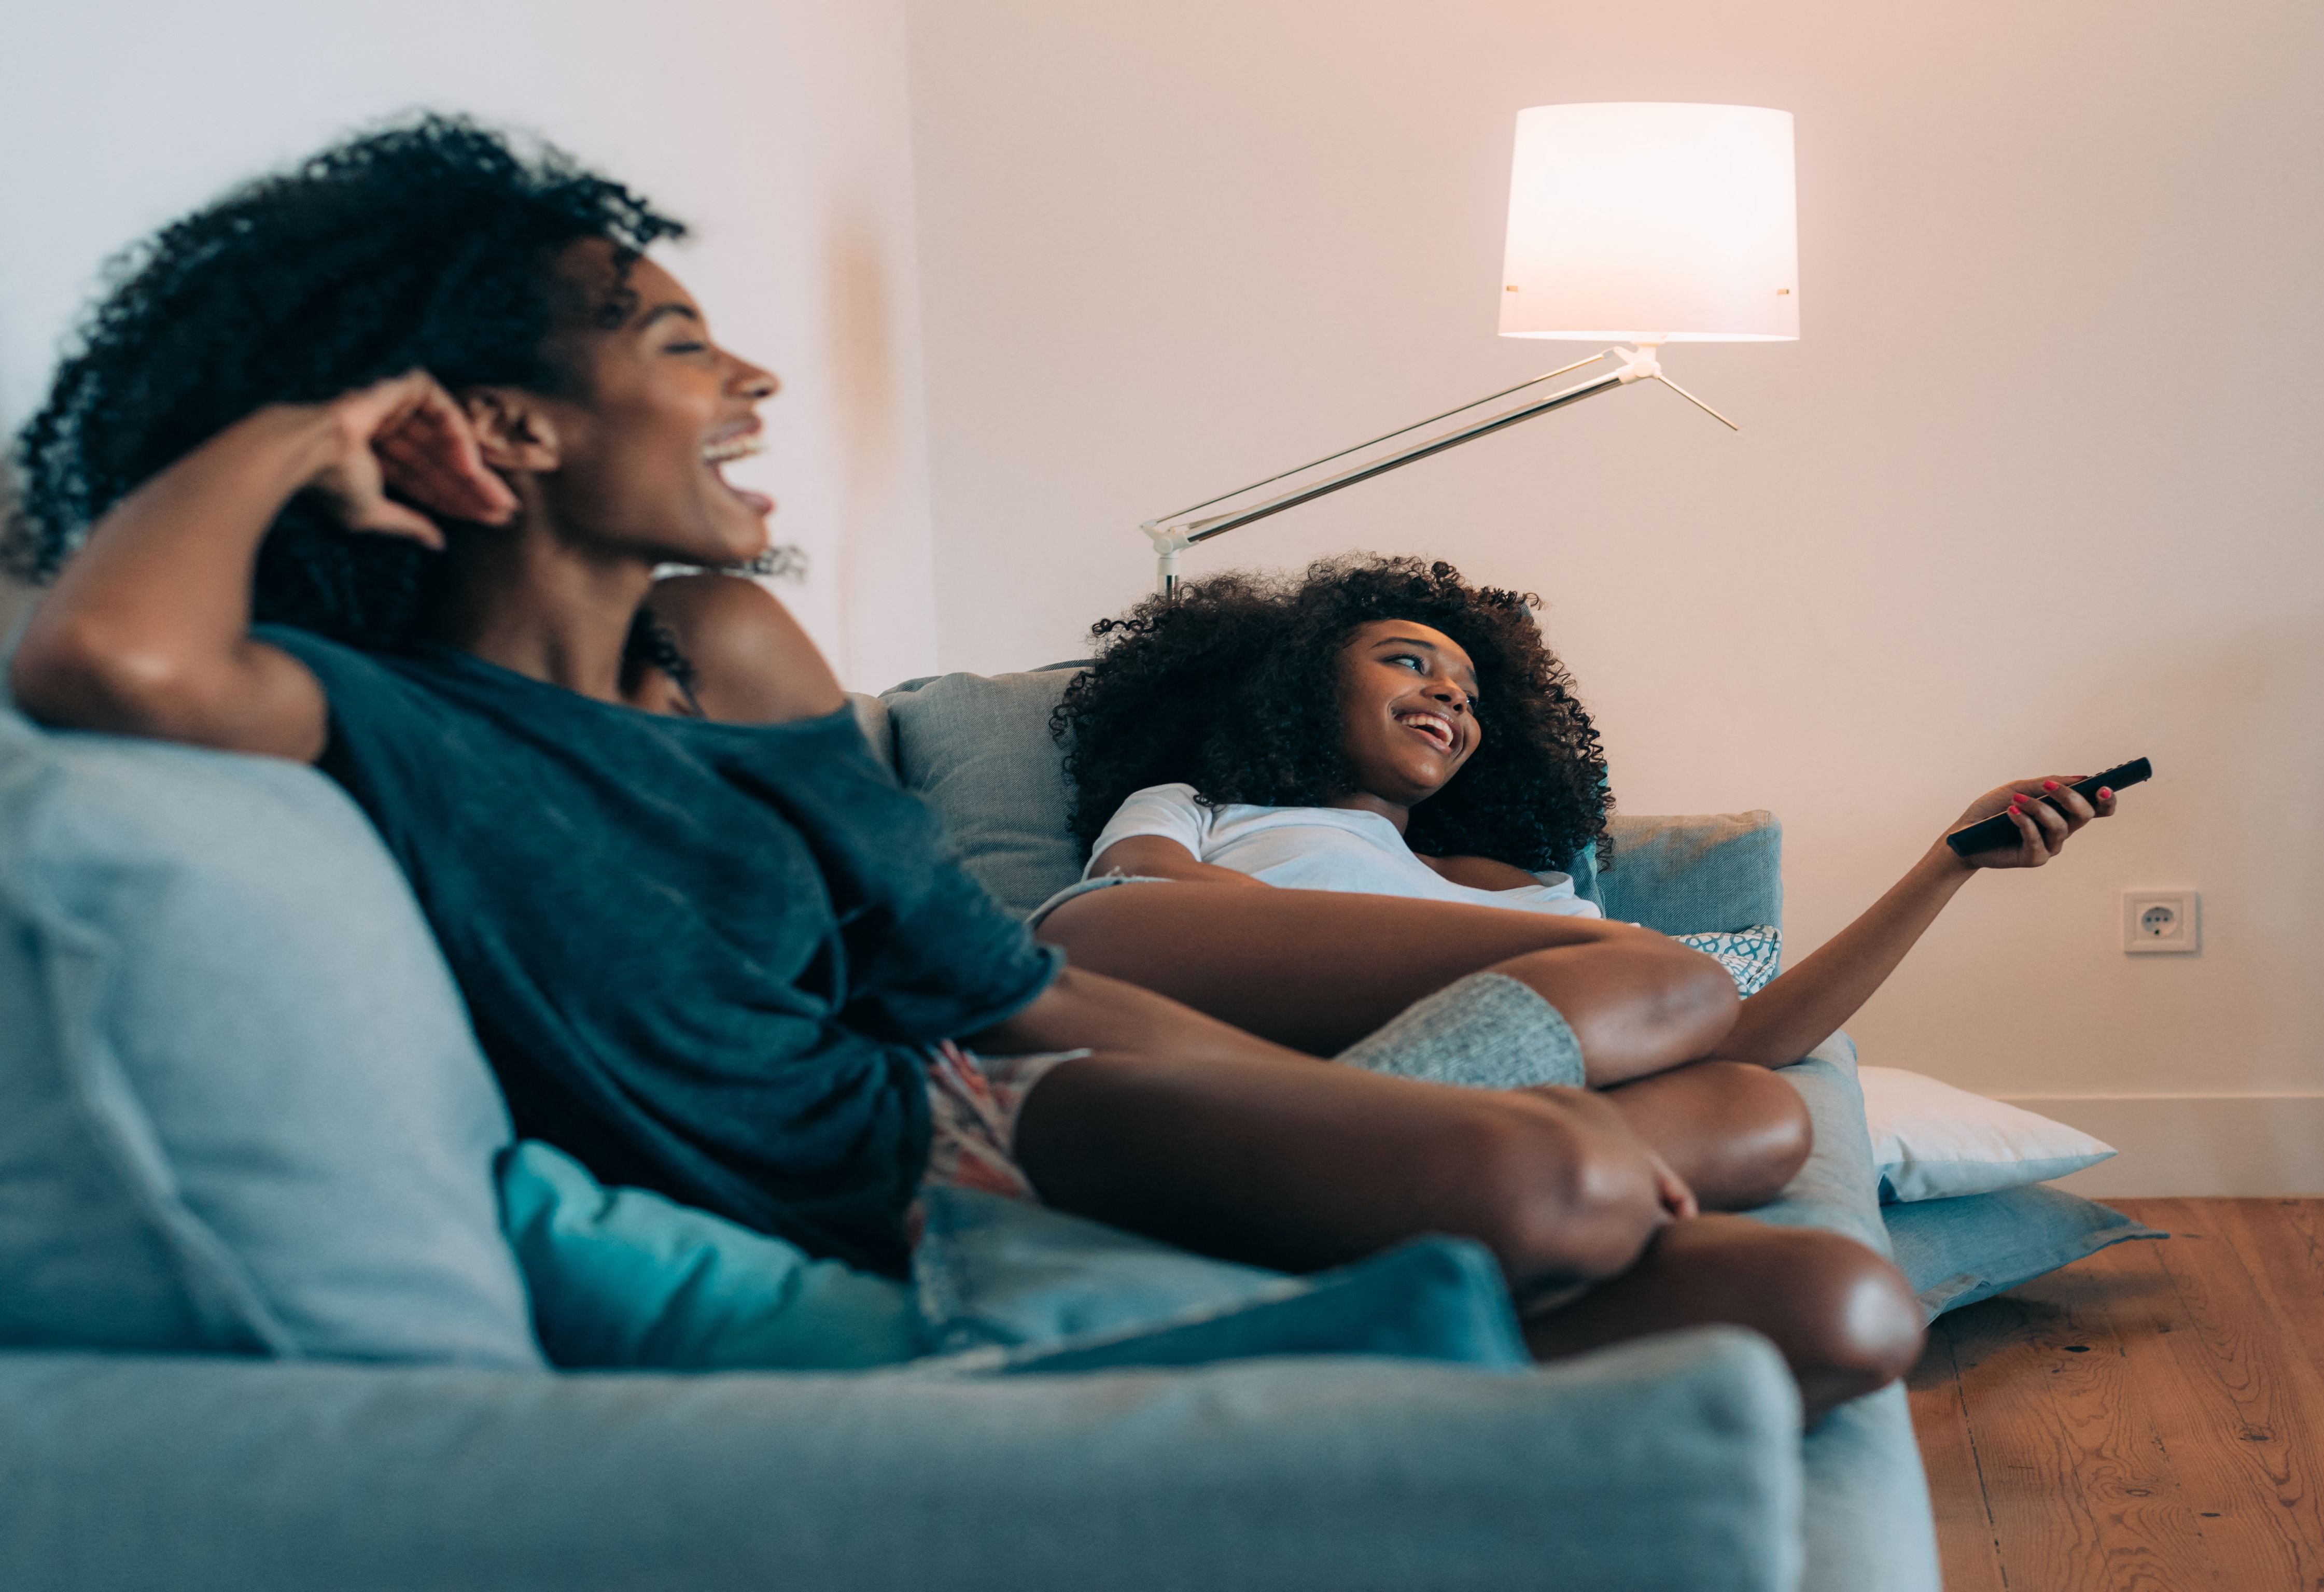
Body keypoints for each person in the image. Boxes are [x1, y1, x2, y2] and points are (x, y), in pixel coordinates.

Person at [4, 116, 1917, 1420]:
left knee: (1819, 1280)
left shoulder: (734, 652)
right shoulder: (371, 709)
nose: (751, 382)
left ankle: (1410, 1273)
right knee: (1634, 1218)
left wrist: (1379, 1126)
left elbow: (1014, 986)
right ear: (494, 420)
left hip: (995, 1104)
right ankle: (1394, 1296)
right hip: (876, 1201)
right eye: (678, 339)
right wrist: (310, 421)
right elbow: (97, 651)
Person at [1042, 558, 2122, 1211]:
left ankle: (1342, 1163)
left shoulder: (1528, 890)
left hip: (1452, 1078)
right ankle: (1376, 1145)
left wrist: (1948, 865)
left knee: (1756, 1111)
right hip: (1218, 991)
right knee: (1660, 981)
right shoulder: (1208, 805)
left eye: (1468, 694)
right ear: (1301, 681)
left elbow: (1745, 1037)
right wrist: (1551, 973)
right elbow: (1129, 914)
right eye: (1410, 662)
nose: (1449, 700)